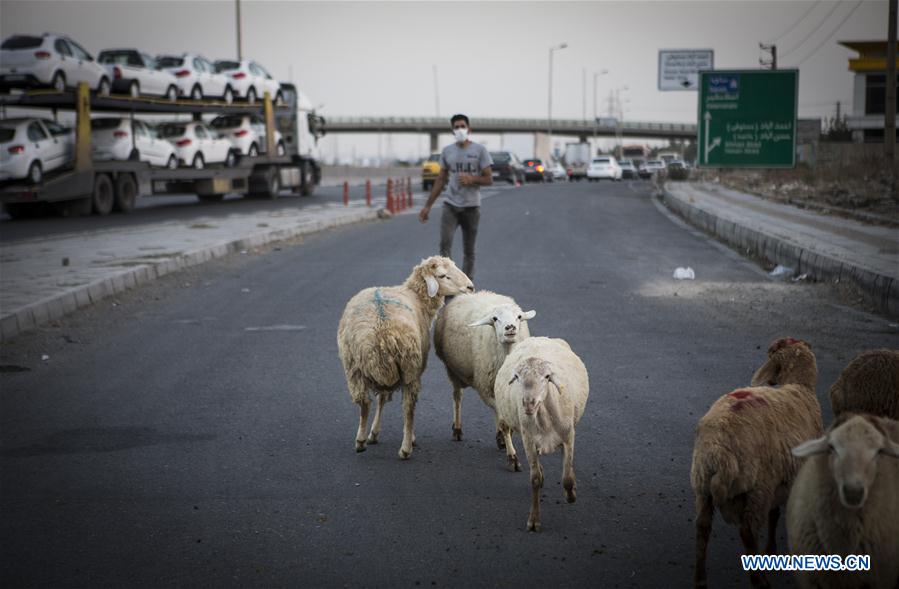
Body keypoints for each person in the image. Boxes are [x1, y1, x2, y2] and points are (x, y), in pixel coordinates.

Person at [418, 114, 493, 279]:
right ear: (453, 131)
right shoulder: (447, 151)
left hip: (472, 206)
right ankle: (447, 283)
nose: (460, 130)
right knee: (445, 246)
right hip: (450, 205)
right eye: (457, 127)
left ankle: (466, 285)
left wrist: (472, 179)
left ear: (469, 129)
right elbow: (440, 180)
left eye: (462, 126)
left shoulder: (480, 151)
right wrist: (427, 206)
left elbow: (489, 179)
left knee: (469, 250)